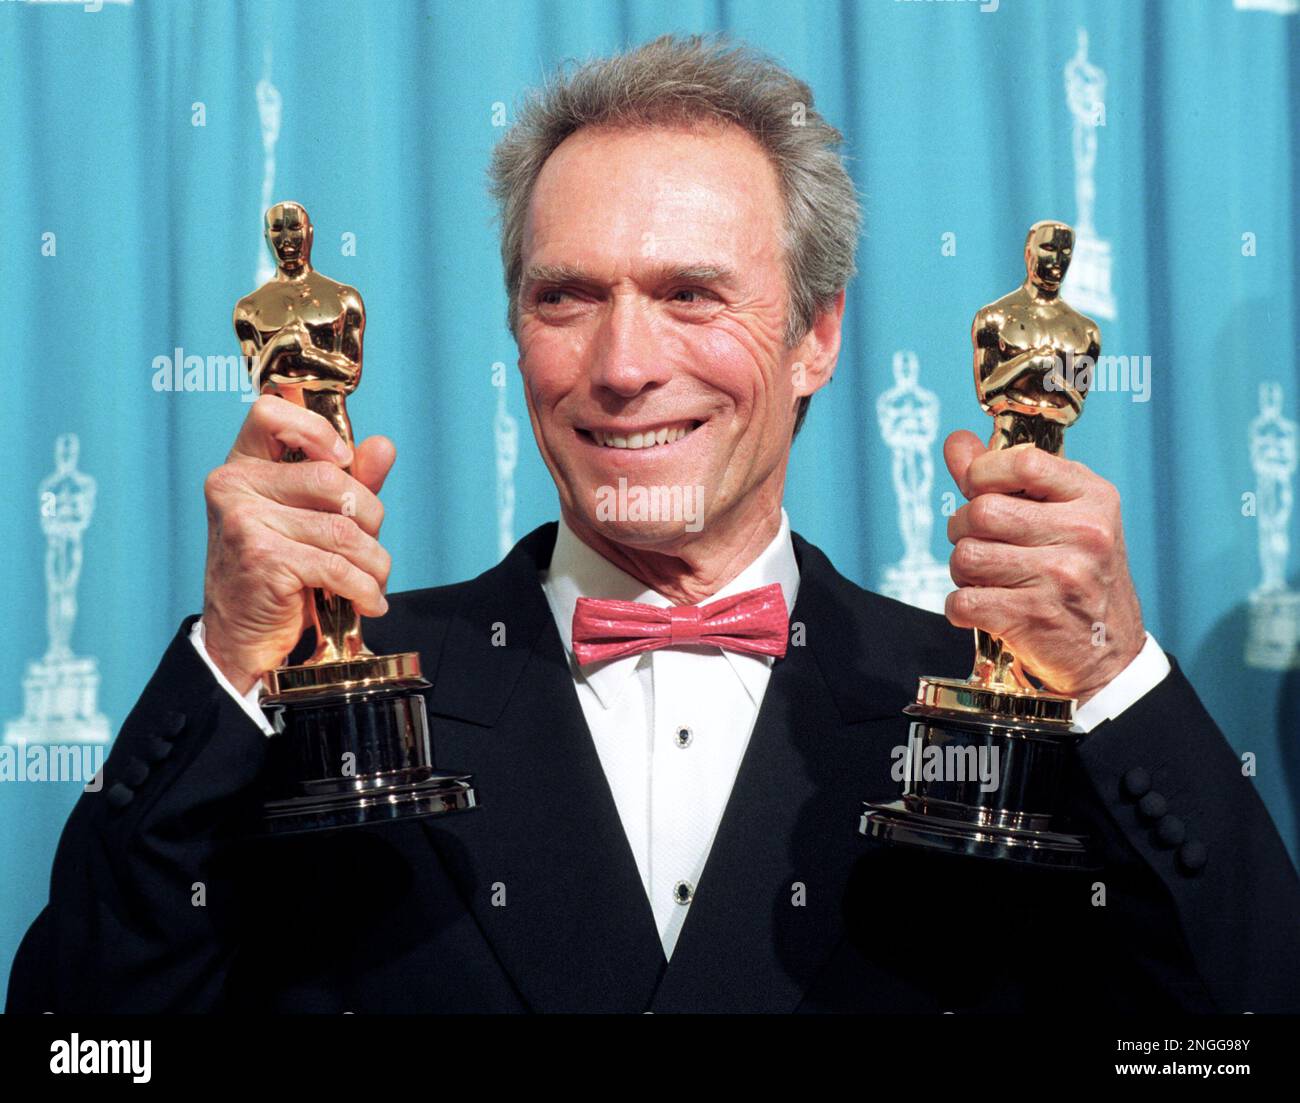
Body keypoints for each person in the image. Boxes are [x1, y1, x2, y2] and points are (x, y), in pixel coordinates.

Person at [8, 33, 1299, 1014]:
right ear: (516, 332)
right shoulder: (317, 702)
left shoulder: (984, 703)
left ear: (817, 336)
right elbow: (78, 1042)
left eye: (693, 294)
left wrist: (1121, 680)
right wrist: (230, 662)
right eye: (569, 296)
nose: (625, 364)